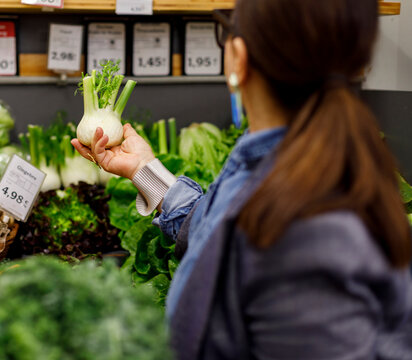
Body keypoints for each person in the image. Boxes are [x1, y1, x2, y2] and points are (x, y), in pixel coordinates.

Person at [72, 0, 412, 358]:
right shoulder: (286, 166)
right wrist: (144, 170)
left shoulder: (310, 229)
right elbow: (210, 226)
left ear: (238, 58)